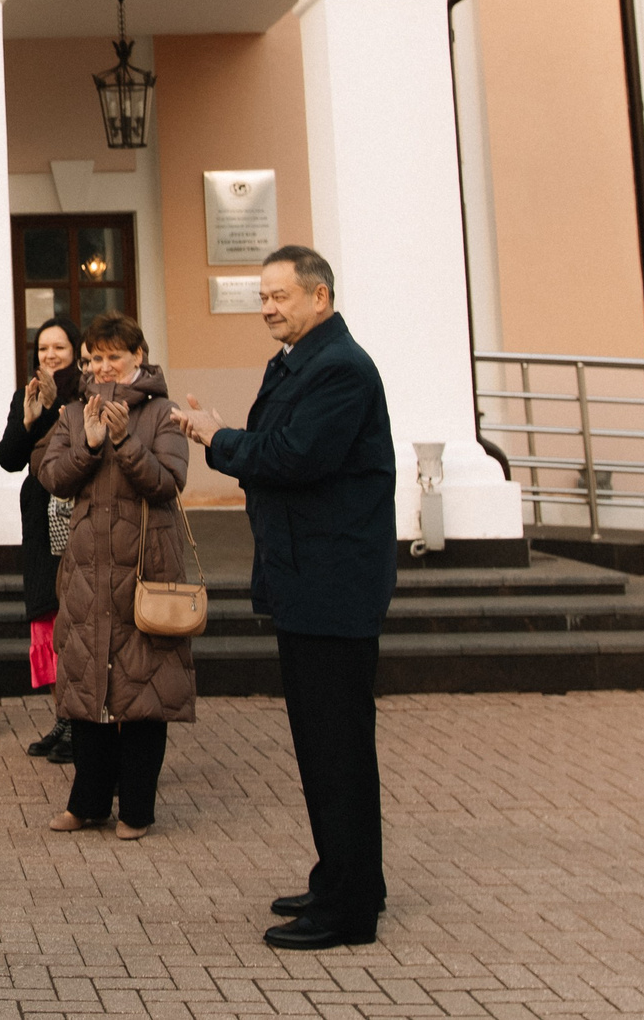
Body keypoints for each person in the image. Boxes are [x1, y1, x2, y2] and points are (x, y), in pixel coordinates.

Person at [173, 245, 395, 950]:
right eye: (262, 296)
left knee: (337, 750)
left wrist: (217, 437)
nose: (266, 306)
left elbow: (293, 456)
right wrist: (232, 438)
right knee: (322, 746)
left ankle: (349, 910)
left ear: (319, 297)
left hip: (333, 584)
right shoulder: (300, 360)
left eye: (279, 296)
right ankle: (343, 879)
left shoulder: (341, 369)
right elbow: (278, 444)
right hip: (306, 578)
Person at [36, 313, 195, 841]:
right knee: (86, 687)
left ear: (138, 357)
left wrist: (126, 444)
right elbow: (53, 476)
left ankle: (137, 810)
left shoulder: (163, 412)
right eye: (95, 358)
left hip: (145, 566)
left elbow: (168, 484)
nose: (103, 367)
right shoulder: (75, 410)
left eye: (114, 357)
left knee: (142, 690)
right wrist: (89, 442)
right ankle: (88, 803)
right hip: (87, 568)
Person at [0, 316, 81, 762]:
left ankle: (81, 724)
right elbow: (8, 459)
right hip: (38, 519)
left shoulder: (84, 394)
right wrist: (28, 420)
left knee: (74, 621)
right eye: (43, 349)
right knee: (46, 618)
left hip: (75, 518)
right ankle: (64, 720)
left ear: (75, 351)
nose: (50, 356)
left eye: (59, 348)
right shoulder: (26, 394)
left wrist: (56, 413)